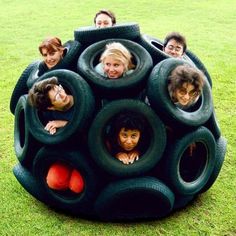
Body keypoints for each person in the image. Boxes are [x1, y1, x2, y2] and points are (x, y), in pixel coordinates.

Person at [28, 77, 84, 194]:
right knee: (54, 182)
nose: (63, 95)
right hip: (68, 153)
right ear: (51, 107)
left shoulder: (84, 98)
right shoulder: (49, 115)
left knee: (76, 186)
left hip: (89, 153)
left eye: (59, 89)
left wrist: (64, 124)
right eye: (57, 97)